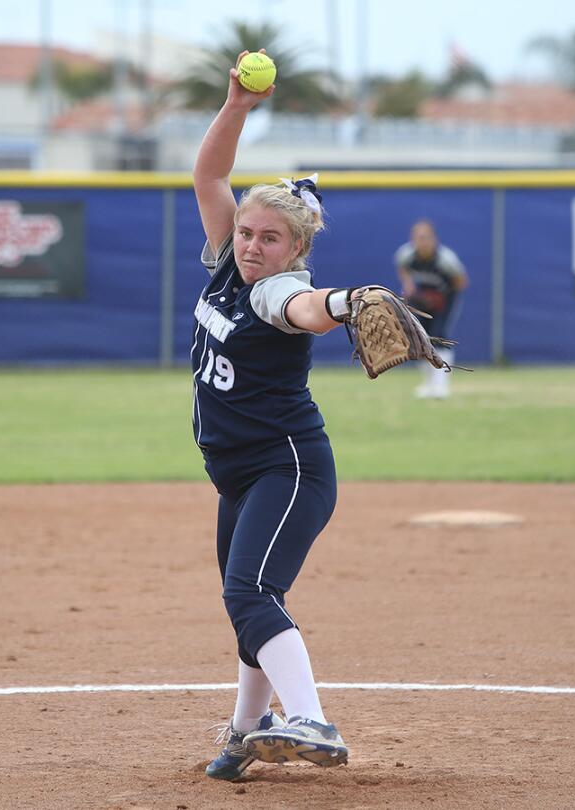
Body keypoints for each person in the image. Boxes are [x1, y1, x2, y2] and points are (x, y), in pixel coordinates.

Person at [190, 49, 377, 781]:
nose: (253, 246)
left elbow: (305, 309)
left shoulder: (279, 291)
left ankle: (312, 719)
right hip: (238, 474)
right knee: (246, 604)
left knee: (251, 592)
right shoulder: (229, 265)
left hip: (286, 467)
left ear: (296, 248)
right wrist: (236, 107)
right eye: (247, 232)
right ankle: (246, 732)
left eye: (270, 238)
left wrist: (343, 302)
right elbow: (209, 177)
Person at [394, 220, 468, 398]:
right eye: (418, 238)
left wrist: (441, 296)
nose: (422, 241)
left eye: (426, 237)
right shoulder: (406, 255)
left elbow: (461, 281)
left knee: (439, 337)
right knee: (419, 339)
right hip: (421, 300)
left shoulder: (445, 259)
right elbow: (402, 269)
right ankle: (428, 384)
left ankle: (441, 385)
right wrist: (409, 285)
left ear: (434, 239)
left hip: (444, 300)